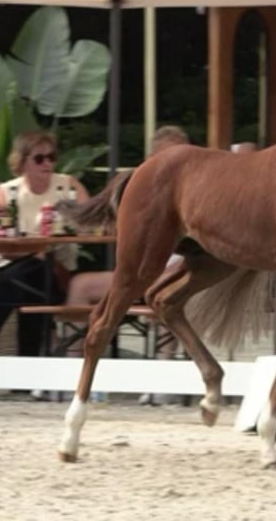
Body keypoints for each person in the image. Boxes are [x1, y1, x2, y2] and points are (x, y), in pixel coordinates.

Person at [62, 125, 190, 405]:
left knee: (167, 291)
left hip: (172, 271)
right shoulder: (145, 188)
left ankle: (163, 378)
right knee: (79, 285)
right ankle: (72, 371)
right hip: (140, 271)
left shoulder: (192, 193)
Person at [0, 130, 90, 359]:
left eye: (51, 157)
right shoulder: (7, 192)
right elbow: (0, 239)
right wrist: (35, 250)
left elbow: (90, 225)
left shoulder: (68, 187)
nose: (47, 163)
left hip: (57, 272)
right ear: (22, 162)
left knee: (4, 288)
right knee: (22, 281)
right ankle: (30, 367)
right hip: (15, 268)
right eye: (39, 158)